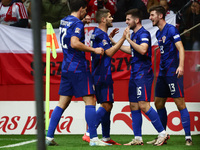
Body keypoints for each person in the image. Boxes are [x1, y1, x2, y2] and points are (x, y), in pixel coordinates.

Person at [45, 0, 111, 147]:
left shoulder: (65, 21)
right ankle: (93, 138)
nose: (87, 13)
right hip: (78, 67)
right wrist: (93, 50)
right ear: (81, 9)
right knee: (90, 101)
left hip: (67, 66)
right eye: (85, 11)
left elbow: (71, 33)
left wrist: (81, 21)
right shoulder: (78, 24)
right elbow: (74, 42)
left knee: (62, 103)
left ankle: (49, 136)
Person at [112, 8, 170, 146]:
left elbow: (143, 50)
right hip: (134, 73)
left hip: (143, 73)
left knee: (144, 105)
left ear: (136, 20)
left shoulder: (144, 33)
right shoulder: (134, 34)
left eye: (128, 19)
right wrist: (115, 43)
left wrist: (127, 39)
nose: (126, 22)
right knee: (133, 105)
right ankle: (138, 138)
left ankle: (163, 133)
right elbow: (132, 50)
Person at [148, 5, 193, 146]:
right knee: (158, 103)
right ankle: (162, 135)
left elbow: (180, 48)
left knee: (180, 104)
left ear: (160, 16)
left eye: (152, 15)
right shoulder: (158, 33)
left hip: (172, 72)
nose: (150, 18)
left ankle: (188, 138)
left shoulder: (171, 29)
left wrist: (180, 66)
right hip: (162, 73)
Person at [82, 8, 126, 145]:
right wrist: (123, 38)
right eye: (109, 16)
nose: (112, 18)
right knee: (106, 105)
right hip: (102, 74)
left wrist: (109, 38)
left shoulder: (99, 33)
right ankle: (89, 133)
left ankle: (106, 137)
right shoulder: (100, 34)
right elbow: (110, 53)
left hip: (99, 73)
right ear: (103, 19)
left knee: (108, 105)